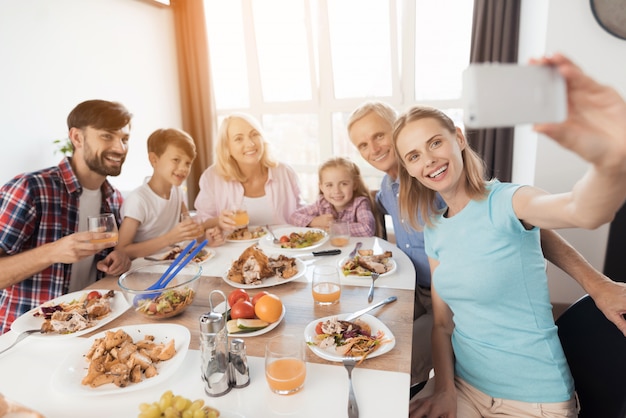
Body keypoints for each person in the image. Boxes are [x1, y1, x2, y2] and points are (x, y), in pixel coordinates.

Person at [394, 54, 626, 417]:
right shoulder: (436, 229)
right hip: (464, 388)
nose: (429, 160)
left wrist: (613, 159)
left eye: (435, 143)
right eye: (413, 156)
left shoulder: (509, 201)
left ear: (457, 137)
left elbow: (582, 210)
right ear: (409, 169)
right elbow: (442, 324)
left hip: (534, 401)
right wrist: (445, 391)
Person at [347, 99, 626, 391]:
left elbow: (529, 223)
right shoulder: (389, 192)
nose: (374, 149)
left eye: (378, 136)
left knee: (385, 360)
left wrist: (596, 283)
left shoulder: (446, 183)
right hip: (420, 292)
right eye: (362, 145)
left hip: (460, 303)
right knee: (360, 335)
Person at [0, 99, 134, 334]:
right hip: (27, 337)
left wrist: (118, 259)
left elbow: (105, 266)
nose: (120, 148)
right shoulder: (31, 189)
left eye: (124, 139)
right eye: (107, 136)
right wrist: (53, 252)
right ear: (77, 138)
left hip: (85, 329)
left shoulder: (114, 199)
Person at [116, 128, 224, 260]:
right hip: (145, 270)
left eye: (188, 163)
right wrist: (169, 238)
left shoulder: (177, 192)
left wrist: (205, 239)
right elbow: (121, 250)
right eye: (176, 160)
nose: (183, 168)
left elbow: (189, 231)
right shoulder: (138, 200)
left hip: (171, 264)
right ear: (154, 160)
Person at [194, 112, 305, 232]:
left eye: (254, 134)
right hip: (232, 250)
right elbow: (201, 222)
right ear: (227, 147)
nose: (250, 144)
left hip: (284, 247)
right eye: (238, 139)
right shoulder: (212, 178)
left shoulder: (285, 172)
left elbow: (302, 214)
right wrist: (217, 222)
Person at [289, 157, 376, 237]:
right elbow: (294, 216)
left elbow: (367, 229)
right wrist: (314, 221)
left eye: (344, 184)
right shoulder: (322, 203)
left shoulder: (360, 203)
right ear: (321, 187)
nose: (336, 191)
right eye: (329, 185)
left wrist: (334, 228)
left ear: (355, 185)